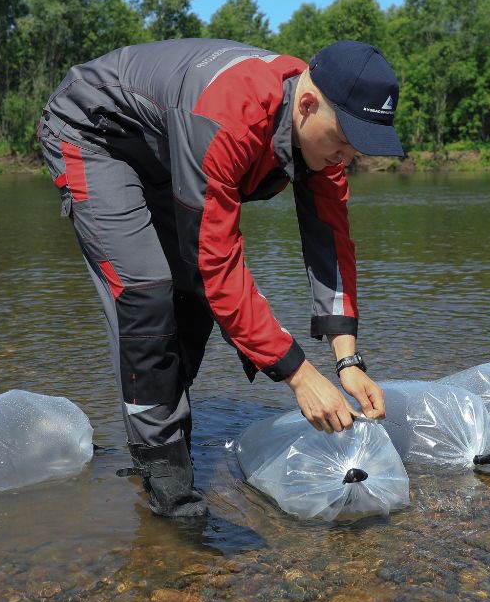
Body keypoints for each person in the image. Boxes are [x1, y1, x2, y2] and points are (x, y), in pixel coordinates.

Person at [38, 38, 402, 518]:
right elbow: (218, 266)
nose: (346, 158)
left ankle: (159, 442)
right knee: (147, 291)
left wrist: (347, 360)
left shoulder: (320, 139)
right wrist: (297, 374)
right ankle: (166, 481)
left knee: (189, 299)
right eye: (342, 141)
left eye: (357, 148)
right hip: (93, 133)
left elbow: (331, 243)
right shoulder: (231, 116)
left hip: (167, 148)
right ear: (308, 105)